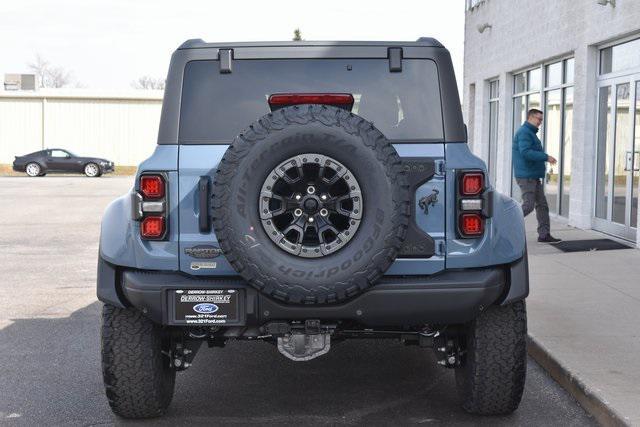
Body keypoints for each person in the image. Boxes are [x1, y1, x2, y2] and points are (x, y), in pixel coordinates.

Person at [512, 108, 561, 243]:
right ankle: (504, 225)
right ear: (530, 118)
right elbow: (526, 152)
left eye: (541, 119)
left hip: (532, 175)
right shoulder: (524, 133)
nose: (540, 122)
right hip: (526, 176)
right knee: (528, 206)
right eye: (538, 119)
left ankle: (544, 235)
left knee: (542, 205)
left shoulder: (530, 133)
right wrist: (546, 157)